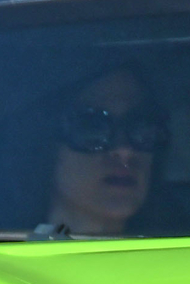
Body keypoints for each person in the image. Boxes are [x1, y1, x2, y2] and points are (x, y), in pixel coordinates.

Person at [39, 67, 169, 237]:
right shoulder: (3, 257)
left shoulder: (186, 258)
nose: (124, 151)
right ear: (48, 146)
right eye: (92, 127)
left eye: (141, 126)